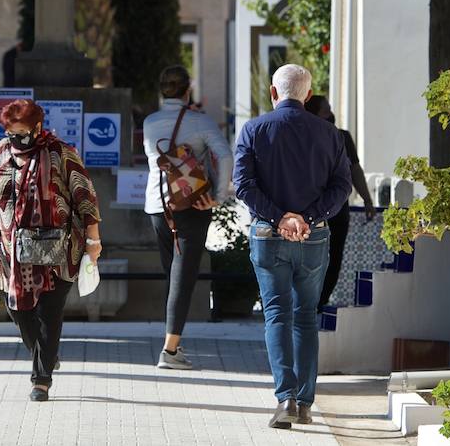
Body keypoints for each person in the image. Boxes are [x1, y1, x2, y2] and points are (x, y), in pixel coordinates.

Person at [234, 64, 352, 429]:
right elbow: (341, 187)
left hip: (269, 236)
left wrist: (279, 217)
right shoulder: (330, 134)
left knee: (277, 314)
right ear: (309, 94)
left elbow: (243, 185)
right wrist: (309, 218)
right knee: (305, 316)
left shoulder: (253, 130)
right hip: (312, 236)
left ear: (274, 92)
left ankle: (285, 397)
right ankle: (303, 402)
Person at [0, 99, 102, 402]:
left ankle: (40, 379)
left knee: (49, 312)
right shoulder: (0, 153)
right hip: (12, 251)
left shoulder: (60, 152)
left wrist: (94, 241)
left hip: (58, 248)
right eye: (11, 133)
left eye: (22, 132)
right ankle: (45, 354)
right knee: (18, 309)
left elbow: (85, 197)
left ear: (38, 127)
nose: (16, 139)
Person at [142, 65, 233, 370]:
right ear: (187, 90)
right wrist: (219, 197)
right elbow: (225, 154)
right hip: (193, 206)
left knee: (173, 274)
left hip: (158, 206)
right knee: (184, 275)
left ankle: (173, 345)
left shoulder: (150, 122)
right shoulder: (200, 122)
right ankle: (169, 350)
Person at [303, 95, 376, 310]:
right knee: (321, 256)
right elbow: (354, 171)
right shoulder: (310, 137)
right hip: (318, 208)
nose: (330, 114)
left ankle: (318, 301)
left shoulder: (341, 137)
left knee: (331, 256)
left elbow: (355, 170)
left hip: (330, 208)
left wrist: (367, 200)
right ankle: (312, 301)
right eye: (325, 110)